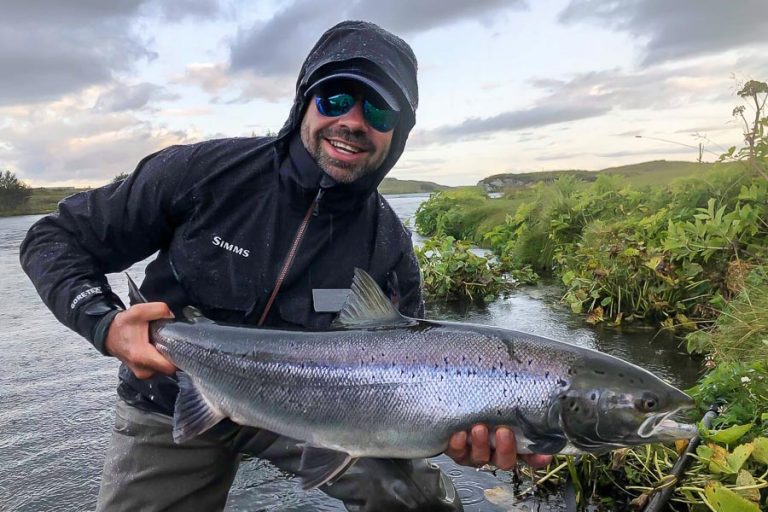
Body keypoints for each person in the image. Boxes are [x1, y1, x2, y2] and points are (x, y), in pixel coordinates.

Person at [20, 20, 549, 511]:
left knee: (420, 501)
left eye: (379, 112)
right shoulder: (202, 174)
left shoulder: (388, 247)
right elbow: (54, 238)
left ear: (398, 135)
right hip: (174, 389)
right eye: (336, 97)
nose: (353, 121)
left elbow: (416, 383)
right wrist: (105, 322)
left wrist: (450, 433)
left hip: (320, 416)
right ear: (304, 102)